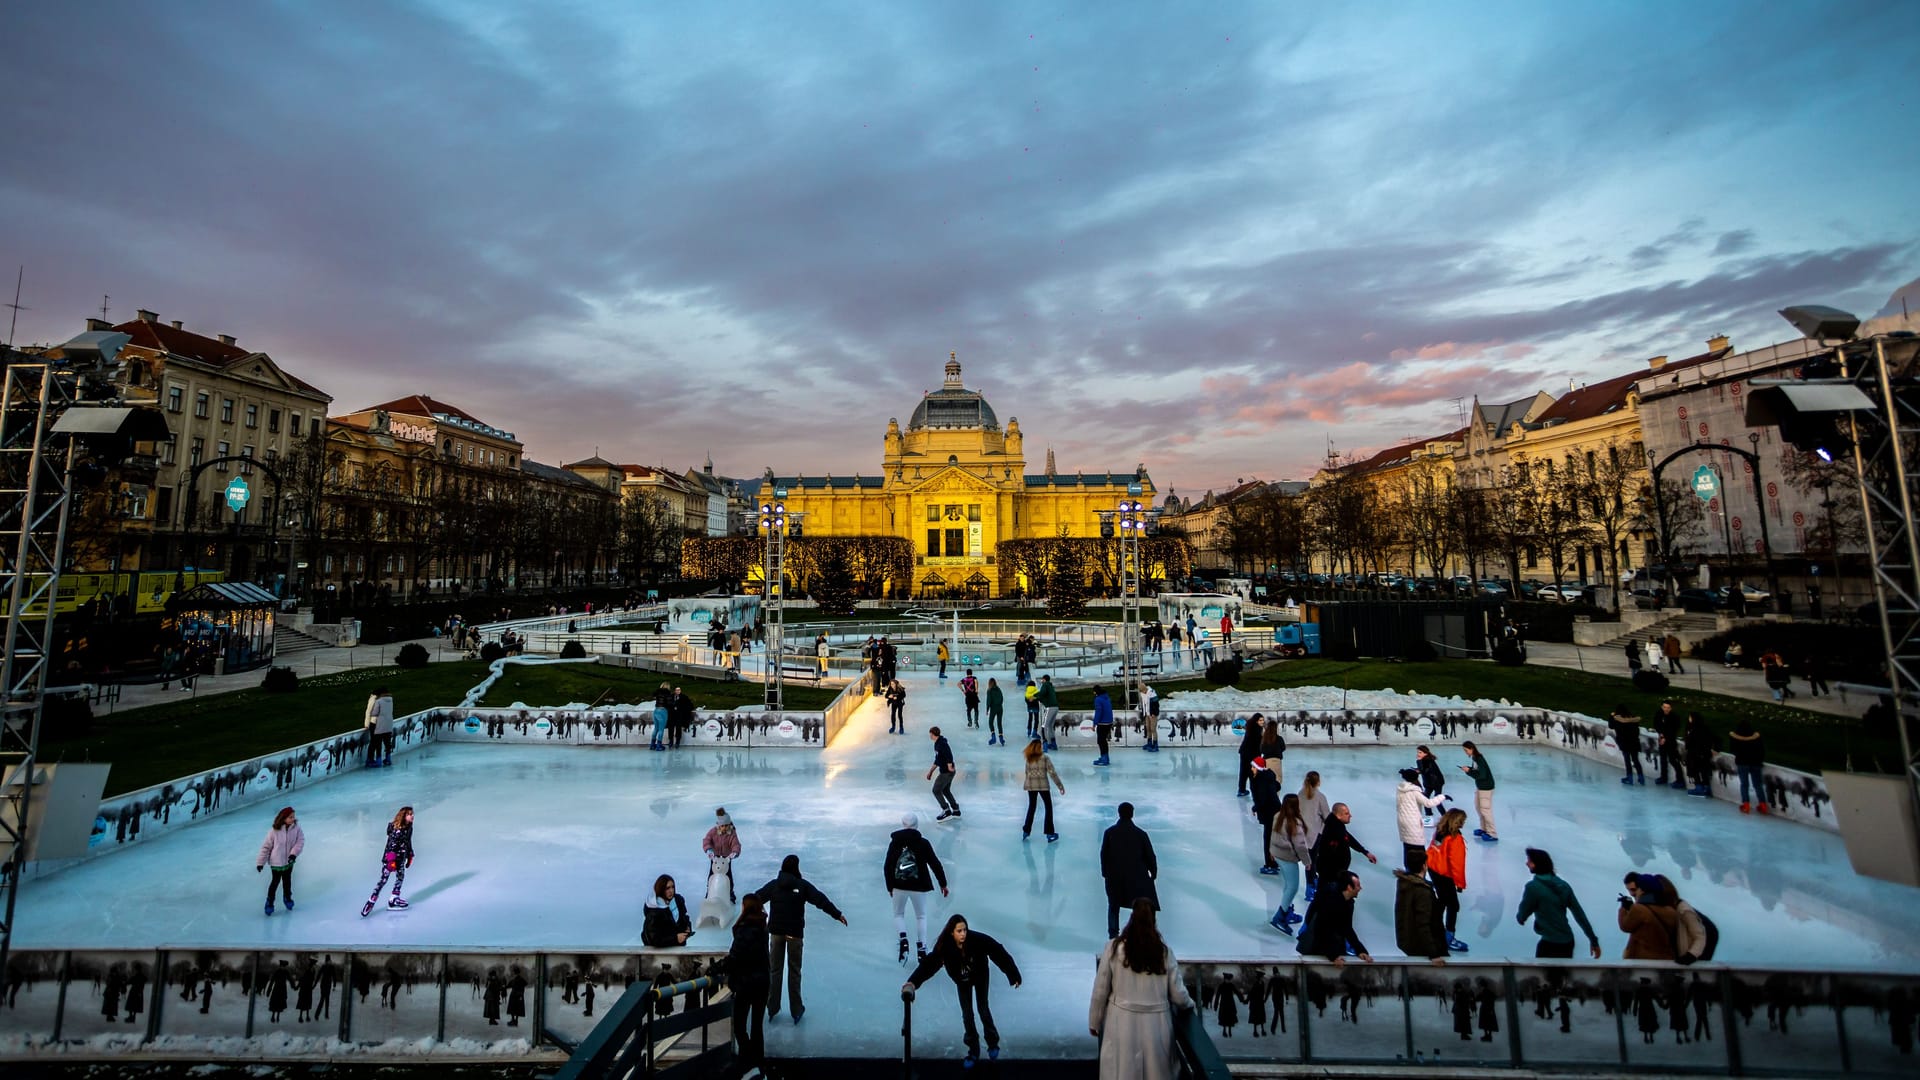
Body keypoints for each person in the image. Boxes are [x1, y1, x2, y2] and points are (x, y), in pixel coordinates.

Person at [1090, 899, 1192, 1080]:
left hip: (1120, 1023)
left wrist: (1095, 1021)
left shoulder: (1114, 949)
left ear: (1131, 918)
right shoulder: (1164, 953)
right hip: (1156, 1027)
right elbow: (1178, 995)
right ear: (1154, 921)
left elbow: (1101, 989)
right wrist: (1189, 1004)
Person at [903, 914, 1022, 1066]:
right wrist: (913, 982)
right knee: (967, 1014)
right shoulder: (945, 947)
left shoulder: (976, 940)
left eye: (965, 930)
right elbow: (929, 965)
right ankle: (973, 1051)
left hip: (980, 975)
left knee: (983, 1008)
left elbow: (997, 951)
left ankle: (992, 1043)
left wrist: (1013, 975)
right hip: (962, 980)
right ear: (951, 932)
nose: (963, 934)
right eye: (959, 931)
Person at [750, 854, 848, 1023]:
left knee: (775, 970)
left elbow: (755, 899)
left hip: (776, 934)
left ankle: (772, 1007)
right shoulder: (802, 886)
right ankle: (796, 1009)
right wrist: (837, 914)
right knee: (794, 971)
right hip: (794, 934)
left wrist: (755, 914)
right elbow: (820, 900)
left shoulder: (774, 885)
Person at [885, 811, 949, 963]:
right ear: (916, 825)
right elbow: (935, 863)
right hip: (919, 886)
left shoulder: (895, 842)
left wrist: (890, 886)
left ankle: (903, 940)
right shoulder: (923, 843)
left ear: (903, 825)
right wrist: (943, 884)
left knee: (898, 914)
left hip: (899, 885)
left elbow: (888, 866)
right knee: (921, 916)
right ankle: (922, 948)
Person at [1516, 848, 1601, 959]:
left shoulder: (1533, 887)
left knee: (1544, 975)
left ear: (1537, 864)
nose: (1526, 863)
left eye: (1530, 861)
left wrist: (1521, 918)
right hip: (1567, 942)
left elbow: (1522, 914)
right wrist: (1593, 940)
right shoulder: (1564, 885)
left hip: (1549, 944)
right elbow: (1579, 915)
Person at [725, 894, 770, 1073]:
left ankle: (747, 1060)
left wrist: (717, 968)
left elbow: (735, 956)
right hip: (762, 982)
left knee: (740, 1026)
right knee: (757, 1026)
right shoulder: (762, 927)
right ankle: (757, 1062)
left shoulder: (745, 930)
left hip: (746, 983)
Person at [1101, 802, 1159, 939]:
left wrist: (1105, 874)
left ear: (1119, 813)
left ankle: (1113, 936)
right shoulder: (1141, 834)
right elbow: (1150, 856)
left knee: (1113, 906)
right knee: (1139, 904)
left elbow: (1104, 855)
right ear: (1132, 814)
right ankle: (1139, 934)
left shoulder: (1109, 833)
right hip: (1136, 877)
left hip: (1114, 877)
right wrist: (1153, 873)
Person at [1297, 870, 1371, 964]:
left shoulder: (1348, 902)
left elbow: (1347, 928)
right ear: (1349, 887)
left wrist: (1360, 950)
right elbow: (1321, 929)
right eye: (1358, 885)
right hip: (1317, 947)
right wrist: (1332, 956)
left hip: (1333, 944)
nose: (1360, 888)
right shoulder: (1330, 901)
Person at [1265, 793, 1310, 934]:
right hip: (1288, 858)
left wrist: (1271, 851)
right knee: (1293, 887)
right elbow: (1301, 846)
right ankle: (1280, 916)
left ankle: (1287, 910)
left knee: (1287, 885)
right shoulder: (1294, 823)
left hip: (1278, 855)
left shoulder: (1278, 816)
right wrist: (1307, 862)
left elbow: (1272, 836)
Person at [1394, 849, 1449, 963]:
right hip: (1424, 947)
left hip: (1409, 941)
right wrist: (1434, 954)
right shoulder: (1422, 891)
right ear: (1424, 866)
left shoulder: (1404, 884)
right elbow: (1423, 924)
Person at [1426, 808, 1470, 952]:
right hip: (1445, 875)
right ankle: (1448, 937)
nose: (1464, 823)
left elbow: (1432, 850)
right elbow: (1456, 864)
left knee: (1443, 902)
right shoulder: (1455, 839)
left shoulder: (1440, 831)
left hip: (1434, 870)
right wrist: (1460, 884)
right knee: (1453, 906)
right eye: (1462, 821)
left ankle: (1436, 930)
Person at [360, 806, 414, 916]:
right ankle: (372, 900)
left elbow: (408, 842)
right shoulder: (397, 830)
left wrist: (410, 854)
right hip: (391, 859)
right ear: (404, 816)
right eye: (409, 814)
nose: (412, 816)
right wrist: (391, 861)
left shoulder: (409, 828)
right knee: (383, 879)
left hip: (401, 858)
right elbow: (391, 846)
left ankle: (394, 899)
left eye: (412, 814)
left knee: (400, 877)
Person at [1394, 769, 1448, 868]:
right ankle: (1418, 872)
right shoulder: (1414, 791)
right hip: (1413, 823)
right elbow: (1428, 803)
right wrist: (1442, 796)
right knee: (1418, 850)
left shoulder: (1400, 788)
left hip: (1402, 821)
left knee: (1407, 847)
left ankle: (1408, 870)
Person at [257, 805, 305, 916]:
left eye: (293, 817)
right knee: (275, 883)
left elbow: (300, 842)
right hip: (276, 863)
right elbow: (266, 847)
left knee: (287, 882)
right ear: (283, 818)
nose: (293, 819)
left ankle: (287, 898)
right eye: (290, 817)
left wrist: (293, 854)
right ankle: (269, 902)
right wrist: (260, 862)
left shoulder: (296, 828)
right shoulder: (274, 831)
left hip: (289, 862)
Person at [1618, 873, 1678, 961]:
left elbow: (1625, 926)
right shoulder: (1671, 911)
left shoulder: (1639, 909)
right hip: (1666, 959)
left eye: (1636, 889)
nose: (1632, 894)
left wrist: (1623, 908)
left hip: (1643, 959)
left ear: (1642, 890)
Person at [1022, 738, 1065, 841]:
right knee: (1048, 807)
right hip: (1043, 786)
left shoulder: (1028, 759)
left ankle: (1026, 831)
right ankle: (1049, 833)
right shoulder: (1044, 758)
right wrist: (1060, 786)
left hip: (1030, 786)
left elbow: (1026, 773)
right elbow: (1052, 773)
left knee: (1032, 807)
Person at [1250, 756, 1283, 874]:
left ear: (1258, 768)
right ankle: (1274, 861)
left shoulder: (1260, 780)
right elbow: (1278, 786)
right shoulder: (1269, 775)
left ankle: (1270, 864)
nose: (1252, 769)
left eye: (1253, 767)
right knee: (1272, 837)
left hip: (1269, 812)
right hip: (1275, 810)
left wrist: (1255, 807)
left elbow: (1262, 799)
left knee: (1268, 838)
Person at [1459, 741, 1498, 841]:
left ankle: (1492, 833)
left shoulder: (1478, 758)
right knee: (1479, 808)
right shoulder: (1475, 758)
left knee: (1485, 810)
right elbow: (1478, 770)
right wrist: (1469, 769)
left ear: (1471, 749)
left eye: (1466, 750)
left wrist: (1469, 771)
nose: (1465, 752)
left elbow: (1482, 775)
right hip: (1480, 787)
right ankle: (1484, 829)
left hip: (1486, 788)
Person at [642, 874, 694, 947]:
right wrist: (675, 939)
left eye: (673, 887)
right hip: (659, 953)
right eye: (667, 888)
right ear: (661, 889)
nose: (671, 891)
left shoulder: (678, 900)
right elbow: (653, 939)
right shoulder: (654, 909)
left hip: (678, 948)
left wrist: (687, 927)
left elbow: (684, 916)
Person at [1729, 719, 1768, 814]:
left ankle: (1746, 804)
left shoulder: (1736, 737)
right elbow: (1762, 750)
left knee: (1744, 784)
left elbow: (1733, 750)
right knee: (1757, 784)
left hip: (1742, 763)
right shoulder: (1756, 737)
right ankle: (1763, 804)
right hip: (1756, 763)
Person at [927, 727, 961, 820]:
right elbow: (938, 759)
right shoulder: (937, 743)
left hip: (946, 772)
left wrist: (949, 765)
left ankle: (946, 810)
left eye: (930, 734)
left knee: (936, 790)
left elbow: (949, 754)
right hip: (947, 771)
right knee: (945, 790)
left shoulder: (942, 744)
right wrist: (931, 771)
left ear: (933, 734)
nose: (929, 736)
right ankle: (956, 809)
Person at [1653, 701, 1687, 790]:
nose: (1666, 709)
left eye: (1668, 707)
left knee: (1673, 760)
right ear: (1662, 707)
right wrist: (1660, 734)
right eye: (1664, 707)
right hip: (1662, 739)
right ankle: (1663, 777)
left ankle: (1680, 780)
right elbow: (1657, 724)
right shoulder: (1659, 714)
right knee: (1663, 759)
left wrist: (1666, 738)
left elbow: (1673, 730)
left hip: (1670, 742)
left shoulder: (1674, 717)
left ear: (1671, 708)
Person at [1683, 712, 1716, 799]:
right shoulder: (1705, 728)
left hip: (1695, 753)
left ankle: (1699, 788)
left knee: (1695, 770)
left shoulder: (1693, 729)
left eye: (1690, 718)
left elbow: (1690, 741)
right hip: (1704, 754)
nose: (1689, 719)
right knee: (1704, 771)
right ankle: (1706, 788)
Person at [1609, 706, 1645, 786]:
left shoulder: (1618, 720)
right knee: (1636, 760)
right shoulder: (1634, 719)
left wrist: (1611, 716)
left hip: (1624, 743)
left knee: (1627, 760)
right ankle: (1641, 777)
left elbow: (1611, 726)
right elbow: (1637, 731)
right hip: (1634, 742)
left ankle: (1629, 778)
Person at [364, 687, 394, 768]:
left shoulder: (377, 700)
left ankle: (376, 760)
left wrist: (366, 724)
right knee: (387, 742)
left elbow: (371, 712)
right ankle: (388, 759)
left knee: (375, 742)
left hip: (377, 723)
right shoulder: (390, 700)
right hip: (388, 724)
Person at [1236, 714, 1265, 797]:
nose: (1262, 722)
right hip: (1251, 753)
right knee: (1252, 772)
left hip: (1244, 752)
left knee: (1243, 771)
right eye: (1260, 720)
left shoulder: (1250, 727)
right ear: (1256, 721)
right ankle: (1255, 792)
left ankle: (1241, 790)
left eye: (1263, 720)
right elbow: (1257, 744)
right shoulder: (1257, 729)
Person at [1092, 685, 1115, 766]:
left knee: (1101, 741)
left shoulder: (1098, 699)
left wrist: (1094, 723)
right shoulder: (1107, 698)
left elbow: (1098, 712)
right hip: (1109, 722)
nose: (1093, 693)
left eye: (1094, 691)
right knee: (1103, 741)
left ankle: (1104, 758)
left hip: (1102, 723)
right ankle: (1105, 757)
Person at [1037, 676, 1060, 749]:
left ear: (1044, 679)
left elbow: (1042, 693)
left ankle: (1045, 744)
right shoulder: (1051, 686)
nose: (1041, 681)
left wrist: (1034, 697)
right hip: (1056, 707)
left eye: (1042, 679)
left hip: (1049, 707)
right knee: (1050, 726)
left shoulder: (1045, 685)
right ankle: (1053, 744)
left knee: (1043, 727)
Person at [650, 682, 671, 752]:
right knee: (661, 729)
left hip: (656, 711)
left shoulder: (658, 691)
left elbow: (653, 695)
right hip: (663, 711)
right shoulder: (668, 692)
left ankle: (652, 744)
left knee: (656, 728)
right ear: (668, 686)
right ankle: (659, 745)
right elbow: (669, 703)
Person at [985, 677, 1005, 746]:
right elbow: (1002, 698)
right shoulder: (998, 689)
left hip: (993, 708)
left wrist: (987, 709)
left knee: (990, 722)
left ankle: (993, 737)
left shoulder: (989, 691)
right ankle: (1001, 738)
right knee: (999, 723)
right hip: (1000, 708)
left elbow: (988, 701)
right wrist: (999, 704)